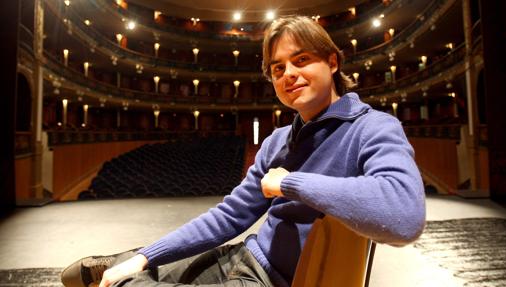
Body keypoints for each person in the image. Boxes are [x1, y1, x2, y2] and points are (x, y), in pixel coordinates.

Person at [61, 15, 426, 287]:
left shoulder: (373, 127)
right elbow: (229, 217)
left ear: (332, 62)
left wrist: (292, 183)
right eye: (277, 68)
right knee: (85, 275)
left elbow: (405, 218)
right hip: (244, 256)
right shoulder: (277, 141)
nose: (289, 74)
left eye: (301, 60)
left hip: (271, 283)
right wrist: (145, 258)